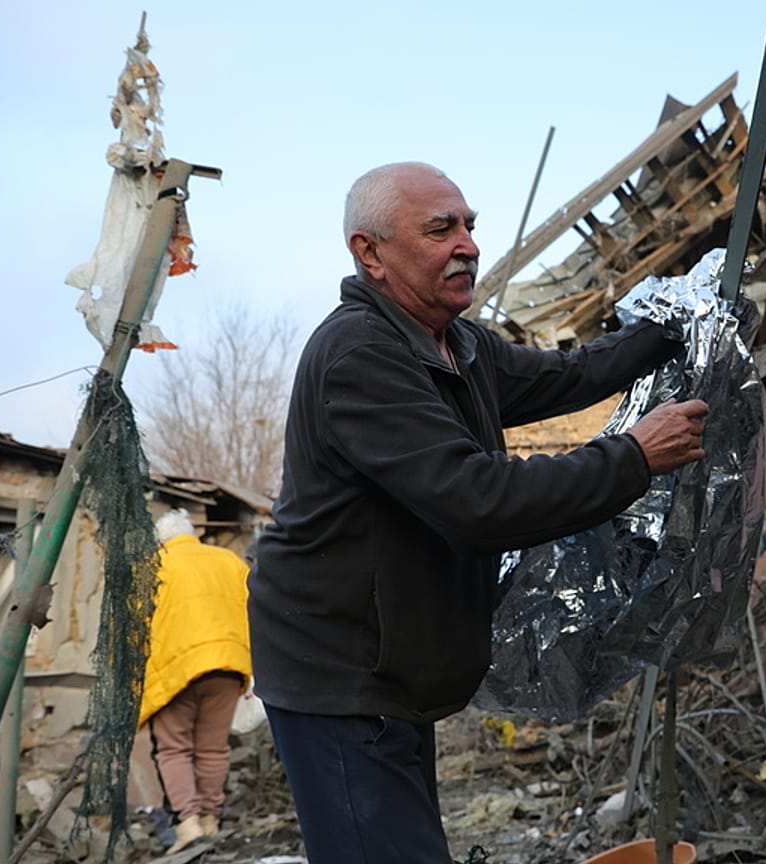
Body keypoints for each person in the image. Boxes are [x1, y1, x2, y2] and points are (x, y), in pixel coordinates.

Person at [248, 161, 709, 863]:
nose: (468, 245)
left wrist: (672, 327)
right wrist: (635, 457)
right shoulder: (360, 354)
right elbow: (476, 500)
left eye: (469, 226)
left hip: (392, 671)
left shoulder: (459, 345)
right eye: (441, 230)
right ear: (370, 252)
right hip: (338, 677)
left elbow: (572, 374)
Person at [139, 508, 253, 854]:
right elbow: (253, 607)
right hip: (227, 667)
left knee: (174, 748)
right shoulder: (229, 561)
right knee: (214, 748)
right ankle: (210, 821)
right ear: (193, 535)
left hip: (176, 672)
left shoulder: (152, 567)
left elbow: (133, 628)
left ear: (160, 542)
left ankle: (188, 825)